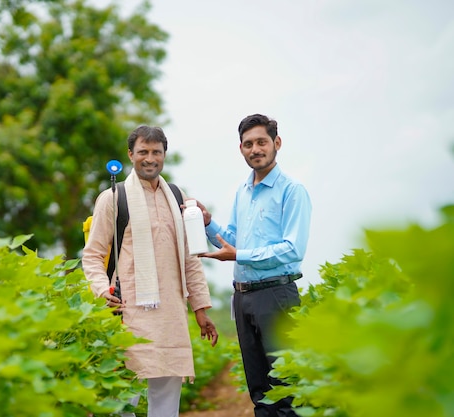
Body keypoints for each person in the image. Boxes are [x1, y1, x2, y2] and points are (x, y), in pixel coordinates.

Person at [82, 125, 219, 417]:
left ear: (164, 155)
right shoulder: (113, 198)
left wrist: (200, 308)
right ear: (130, 155)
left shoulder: (176, 195)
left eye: (156, 152)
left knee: (167, 398)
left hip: (170, 313)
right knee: (121, 400)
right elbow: (92, 256)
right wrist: (100, 290)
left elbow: (189, 257)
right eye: (143, 151)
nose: (150, 158)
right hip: (127, 312)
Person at [197, 114, 311, 417]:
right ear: (241, 149)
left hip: (276, 296)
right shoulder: (242, 191)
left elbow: (292, 249)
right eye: (248, 144)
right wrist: (208, 223)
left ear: (277, 143)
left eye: (261, 142)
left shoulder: (292, 190)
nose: (255, 149)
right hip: (244, 298)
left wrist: (239, 255)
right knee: (259, 391)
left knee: (286, 387)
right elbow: (234, 238)